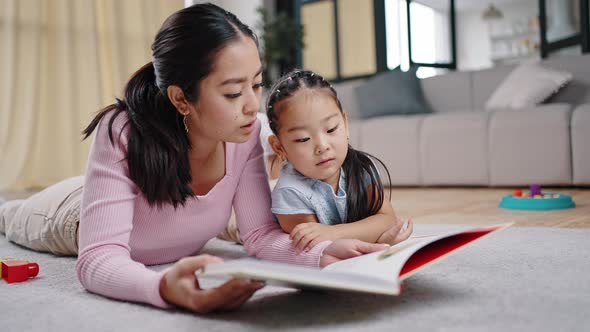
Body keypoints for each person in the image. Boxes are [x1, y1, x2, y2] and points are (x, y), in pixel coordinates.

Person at [0, 4, 388, 313]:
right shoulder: (122, 130)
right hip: (67, 215)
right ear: (181, 98)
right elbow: (98, 259)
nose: (254, 106)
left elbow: (258, 235)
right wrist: (163, 287)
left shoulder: (244, 133)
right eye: (234, 93)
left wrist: (322, 254)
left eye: (256, 84)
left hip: (131, 209)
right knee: (10, 215)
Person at [265, 69, 414, 252]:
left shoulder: (360, 168)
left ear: (344, 123)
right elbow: (314, 246)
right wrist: (373, 237)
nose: (322, 146)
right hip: (260, 222)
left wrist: (333, 233)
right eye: (303, 139)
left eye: (331, 129)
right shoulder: (290, 192)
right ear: (279, 147)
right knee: (235, 227)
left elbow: (387, 219)